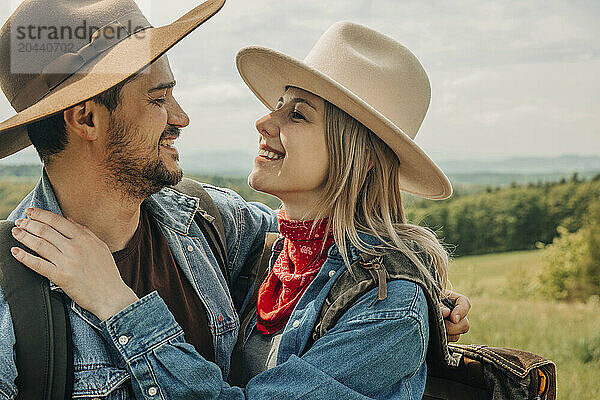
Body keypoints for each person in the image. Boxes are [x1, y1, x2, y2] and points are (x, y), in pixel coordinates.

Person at [10, 21, 470, 399]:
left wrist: (417, 297)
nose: (181, 117)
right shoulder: (10, 299)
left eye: (298, 113)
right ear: (86, 118)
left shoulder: (205, 220)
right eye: (157, 98)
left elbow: (355, 257)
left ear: (360, 155)